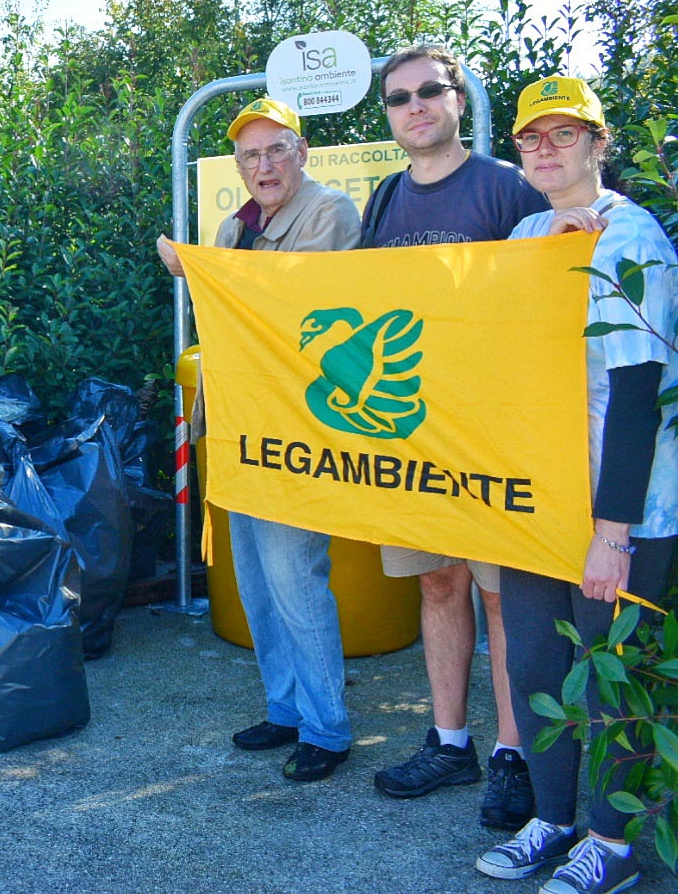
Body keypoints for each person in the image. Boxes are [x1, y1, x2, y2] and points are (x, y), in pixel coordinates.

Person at [474, 77, 677, 894]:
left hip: (621, 507)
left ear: (598, 144)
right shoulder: (528, 230)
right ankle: (552, 819)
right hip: (538, 496)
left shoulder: (633, 237)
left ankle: (611, 841)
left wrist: (610, 535)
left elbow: (637, 390)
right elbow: (483, 345)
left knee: (607, 678)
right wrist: (541, 262)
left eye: (565, 134)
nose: (545, 149)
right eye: (531, 137)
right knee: (533, 666)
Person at [362, 45, 548, 830]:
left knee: (505, 597)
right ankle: (448, 744)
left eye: (428, 91)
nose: (414, 106)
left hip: (495, 435)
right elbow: (358, 300)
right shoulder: (383, 197)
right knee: (437, 584)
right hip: (413, 436)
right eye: (398, 97)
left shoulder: (507, 187)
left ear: (458, 99)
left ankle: (513, 755)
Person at [155, 99, 360, 781]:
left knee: (296, 579)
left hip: (294, 432)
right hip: (236, 425)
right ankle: (286, 708)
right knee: (256, 582)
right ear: (239, 167)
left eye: (275, 150)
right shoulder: (234, 226)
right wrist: (205, 269)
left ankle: (327, 728)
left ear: (302, 153)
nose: (263, 165)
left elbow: (291, 309)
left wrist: (198, 269)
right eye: (250, 155)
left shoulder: (330, 212)